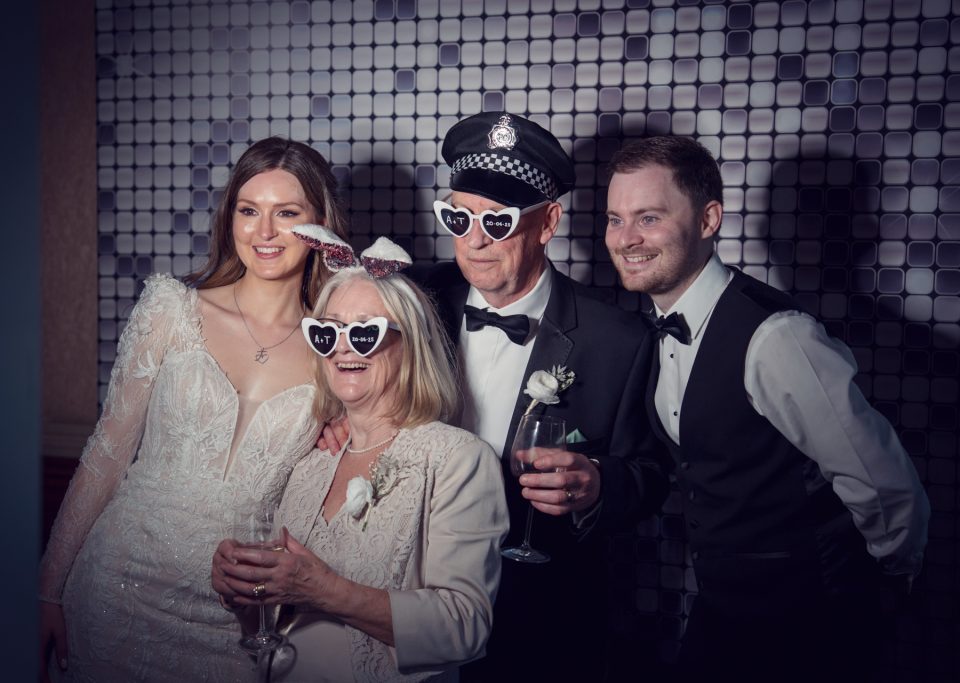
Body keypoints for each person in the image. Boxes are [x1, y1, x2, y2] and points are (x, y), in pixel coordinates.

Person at [605, 135, 931, 682]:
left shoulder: (778, 337)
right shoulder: (651, 329)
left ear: (709, 220)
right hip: (723, 611)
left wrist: (877, 599)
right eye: (615, 219)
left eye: (649, 217)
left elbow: (886, 488)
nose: (626, 239)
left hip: (808, 624)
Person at [38, 137, 349, 682]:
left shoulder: (337, 348)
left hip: (233, 614)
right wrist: (47, 590)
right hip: (119, 579)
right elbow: (104, 457)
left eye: (288, 213)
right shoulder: (171, 308)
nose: (264, 232)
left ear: (321, 223)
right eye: (248, 211)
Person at [413, 112, 669, 681]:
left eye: (498, 223)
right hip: (405, 595)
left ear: (548, 221)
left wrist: (600, 483)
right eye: (459, 217)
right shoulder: (416, 298)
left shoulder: (618, 341)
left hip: (535, 618)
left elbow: (654, 473)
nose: (473, 240)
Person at [212, 234, 509, 682]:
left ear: (411, 344)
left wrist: (322, 588)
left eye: (366, 333)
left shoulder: (458, 460)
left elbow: (464, 627)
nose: (343, 348)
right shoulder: (310, 463)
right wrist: (244, 595)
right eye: (327, 332)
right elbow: (272, 626)